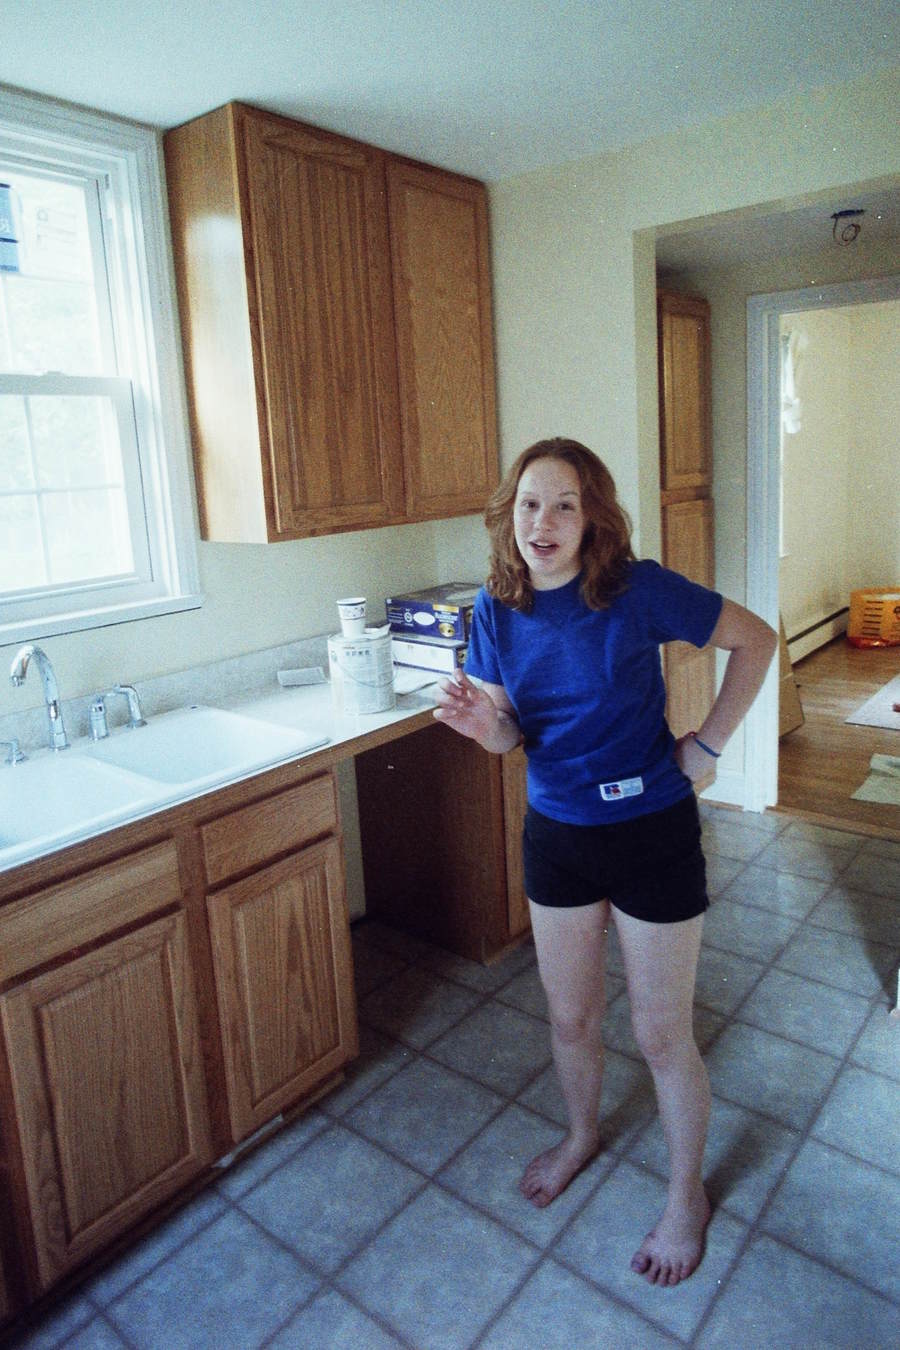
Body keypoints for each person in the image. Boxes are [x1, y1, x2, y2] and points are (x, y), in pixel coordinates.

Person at [433, 437, 777, 1288]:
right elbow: (511, 733)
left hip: (651, 831)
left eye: (564, 504)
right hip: (559, 837)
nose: (542, 522)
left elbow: (757, 641)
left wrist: (708, 747)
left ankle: (687, 1195)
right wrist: (484, 729)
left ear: (593, 520)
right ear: (509, 516)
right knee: (570, 1019)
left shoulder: (635, 588)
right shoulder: (495, 607)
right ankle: (582, 1135)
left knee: (661, 1034)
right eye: (529, 504)